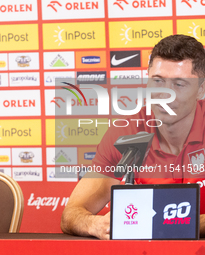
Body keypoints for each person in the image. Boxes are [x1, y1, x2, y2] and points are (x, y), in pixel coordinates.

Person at [61, 34, 205, 240]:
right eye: (158, 81)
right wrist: (94, 224)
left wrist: (156, 221)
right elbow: (71, 214)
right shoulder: (126, 133)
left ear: (201, 89)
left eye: (179, 84)